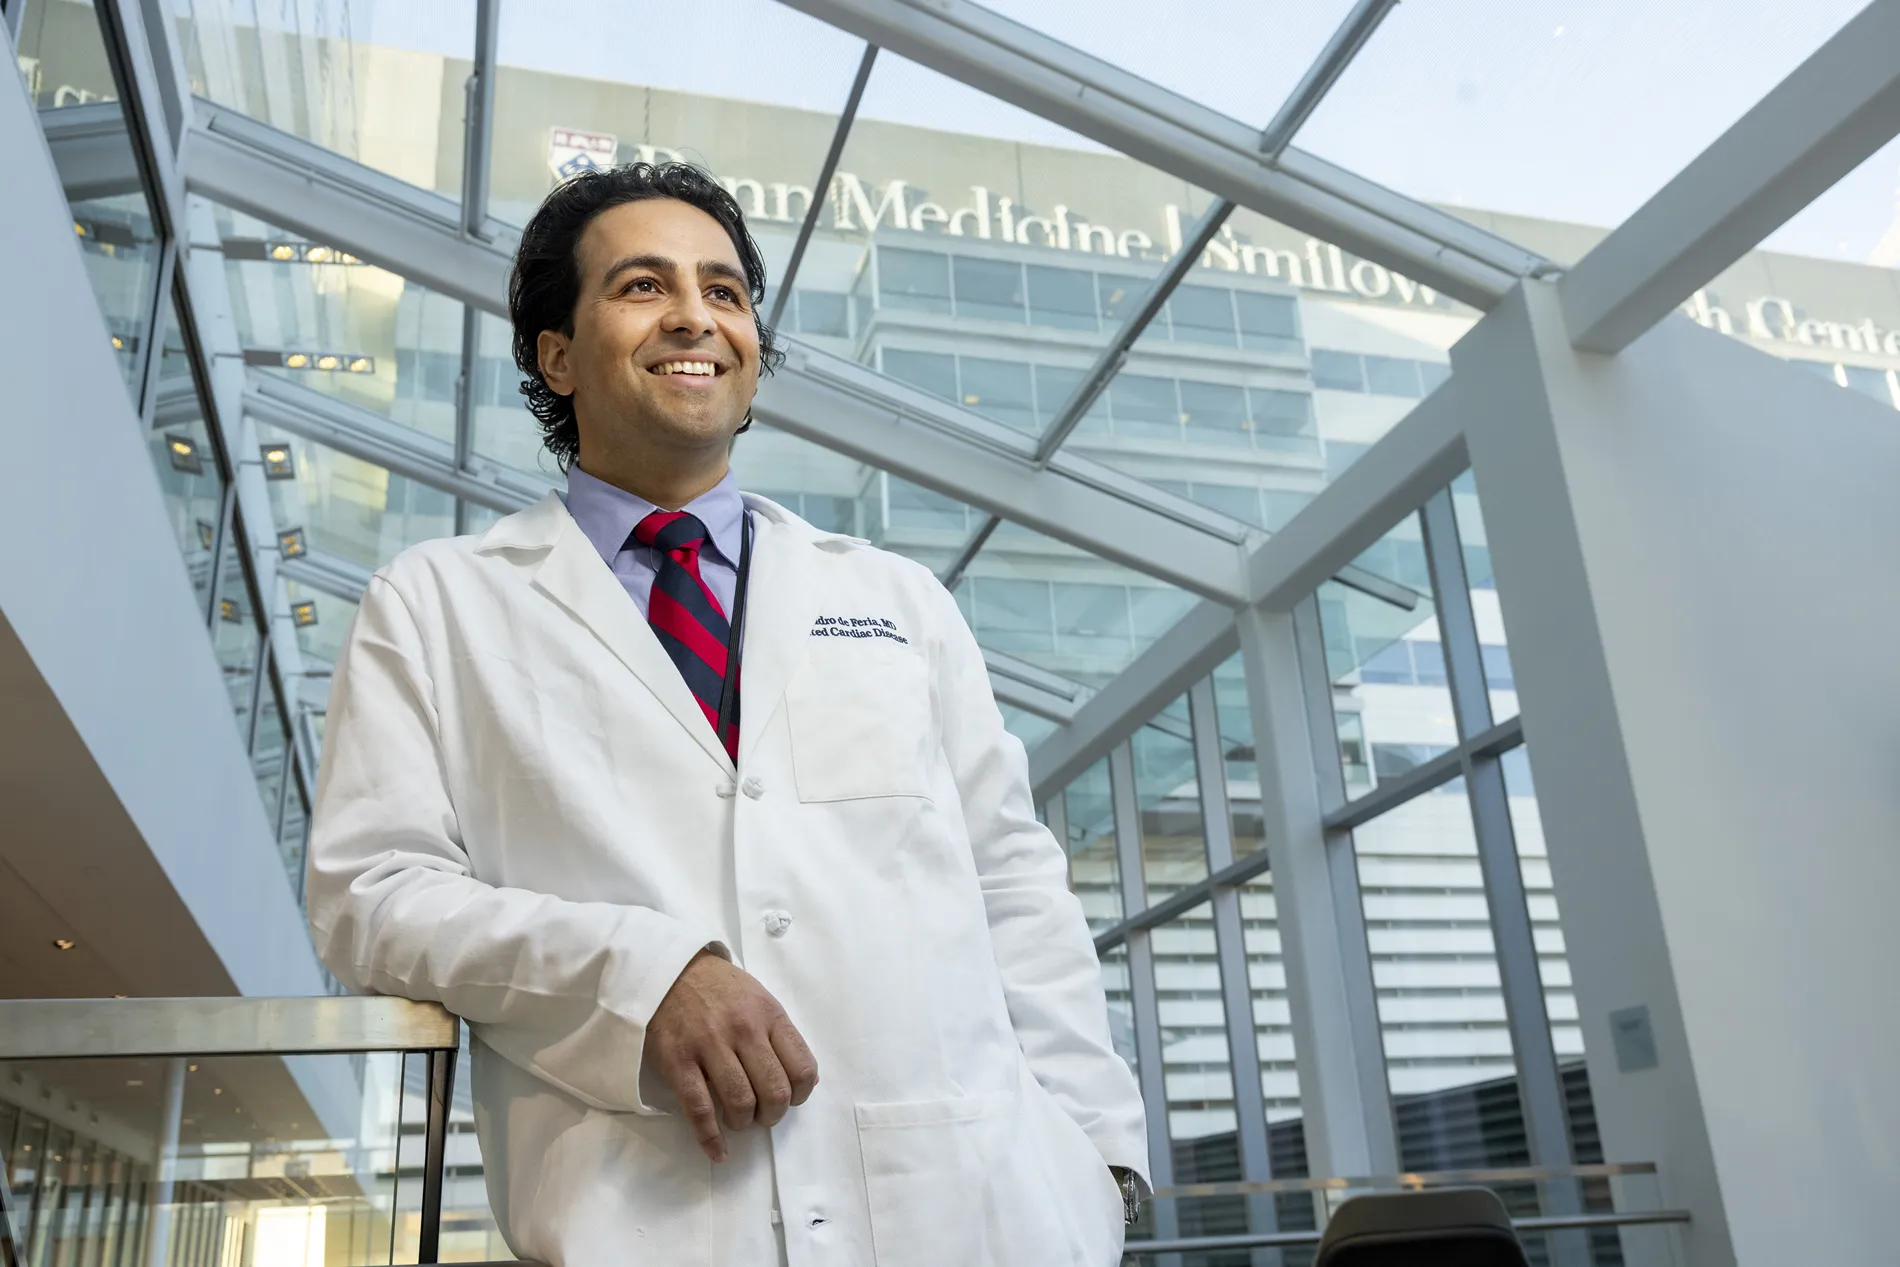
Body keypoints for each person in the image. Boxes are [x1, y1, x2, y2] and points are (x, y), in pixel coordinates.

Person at [306, 162, 1147, 1267]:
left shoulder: (895, 600)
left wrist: (1100, 1161)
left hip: (973, 1213)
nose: (696, 315)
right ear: (555, 354)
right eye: (643, 286)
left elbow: (1011, 881)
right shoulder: (438, 602)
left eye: (726, 291)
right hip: (651, 1219)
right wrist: (640, 972)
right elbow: (371, 894)